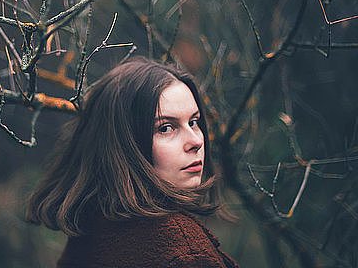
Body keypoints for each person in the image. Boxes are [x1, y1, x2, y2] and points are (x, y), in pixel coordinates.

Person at [26, 57, 239, 268]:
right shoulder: (186, 255)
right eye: (166, 128)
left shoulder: (94, 226)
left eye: (193, 122)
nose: (196, 141)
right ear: (123, 145)